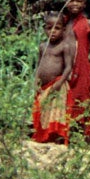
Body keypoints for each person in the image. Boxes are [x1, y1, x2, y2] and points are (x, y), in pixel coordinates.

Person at [30, 12, 74, 144]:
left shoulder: (65, 46)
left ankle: (58, 139)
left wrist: (60, 82)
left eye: (57, 28)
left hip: (57, 85)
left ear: (63, 30)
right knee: (43, 110)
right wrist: (36, 82)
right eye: (49, 28)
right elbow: (39, 66)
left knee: (57, 112)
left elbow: (68, 67)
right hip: (44, 87)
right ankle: (44, 137)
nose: (53, 32)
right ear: (44, 29)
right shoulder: (43, 46)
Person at [61, 0, 90, 141]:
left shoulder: (88, 24)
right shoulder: (60, 22)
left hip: (82, 70)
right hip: (63, 69)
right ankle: (65, 135)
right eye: (71, 0)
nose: (74, 3)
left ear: (84, 4)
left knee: (83, 102)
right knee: (65, 101)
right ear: (65, 2)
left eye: (78, 0)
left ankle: (86, 138)